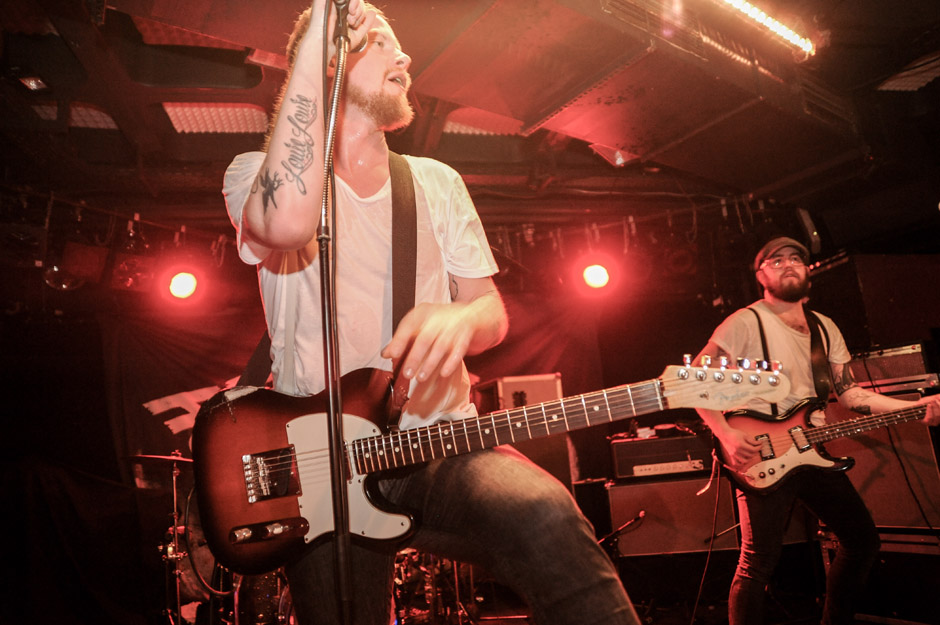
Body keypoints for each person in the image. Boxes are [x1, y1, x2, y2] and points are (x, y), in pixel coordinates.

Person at [221, 2, 639, 624]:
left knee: (545, 512)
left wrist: (462, 320)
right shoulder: (254, 174)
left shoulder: (436, 182)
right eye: (380, 41)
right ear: (330, 61)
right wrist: (314, 45)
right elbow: (285, 224)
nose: (406, 56)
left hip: (437, 441)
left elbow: (489, 311)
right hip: (322, 465)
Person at [692, 236, 940, 625]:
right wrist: (724, 433)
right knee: (757, 562)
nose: (788, 264)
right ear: (760, 275)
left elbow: (850, 394)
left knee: (862, 543)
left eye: (796, 258)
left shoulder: (824, 328)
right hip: (761, 452)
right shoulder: (744, 321)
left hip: (811, 450)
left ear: (809, 271)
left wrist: (914, 407)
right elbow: (695, 380)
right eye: (776, 261)